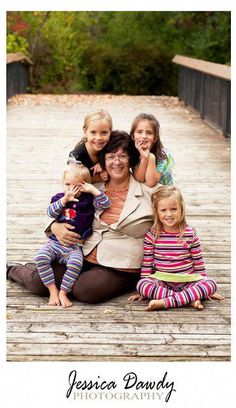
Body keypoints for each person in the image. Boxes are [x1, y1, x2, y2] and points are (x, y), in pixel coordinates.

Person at [8, 131, 156, 303]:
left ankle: (118, 283)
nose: (116, 162)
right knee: (38, 282)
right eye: (110, 157)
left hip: (119, 265)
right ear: (103, 161)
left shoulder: (148, 191)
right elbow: (58, 204)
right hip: (81, 254)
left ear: (131, 159)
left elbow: (170, 223)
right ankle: (11, 270)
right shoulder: (90, 185)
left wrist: (153, 277)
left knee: (85, 291)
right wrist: (54, 227)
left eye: (122, 156)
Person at [129, 185, 224, 311]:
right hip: (162, 281)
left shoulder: (189, 233)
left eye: (174, 209)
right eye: (163, 210)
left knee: (210, 284)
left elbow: (198, 261)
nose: (169, 214)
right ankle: (188, 300)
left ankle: (165, 302)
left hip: (188, 280)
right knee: (142, 285)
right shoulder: (152, 235)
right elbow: (147, 263)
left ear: (181, 209)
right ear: (157, 212)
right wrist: (143, 291)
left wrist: (205, 286)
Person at [35, 159, 111, 307]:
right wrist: (64, 200)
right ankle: (53, 291)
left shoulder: (89, 200)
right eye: (68, 184)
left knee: (76, 264)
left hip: (75, 247)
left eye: (77, 186)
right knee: (41, 257)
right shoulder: (59, 198)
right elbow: (50, 212)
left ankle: (64, 292)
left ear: (85, 185)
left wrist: (93, 190)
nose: (71, 189)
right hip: (55, 243)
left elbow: (105, 203)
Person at [130, 113, 174, 187]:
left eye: (149, 133)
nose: (144, 136)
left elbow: (151, 183)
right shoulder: (133, 153)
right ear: (133, 136)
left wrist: (150, 157)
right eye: (139, 132)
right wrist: (144, 158)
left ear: (155, 138)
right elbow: (139, 179)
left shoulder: (163, 155)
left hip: (165, 194)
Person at [69, 109, 112, 183]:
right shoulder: (76, 156)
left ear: (110, 132)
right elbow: (73, 182)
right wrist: (98, 178)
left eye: (104, 132)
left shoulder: (111, 146)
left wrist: (102, 163)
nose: (98, 138)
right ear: (85, 132)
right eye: (93, 132)